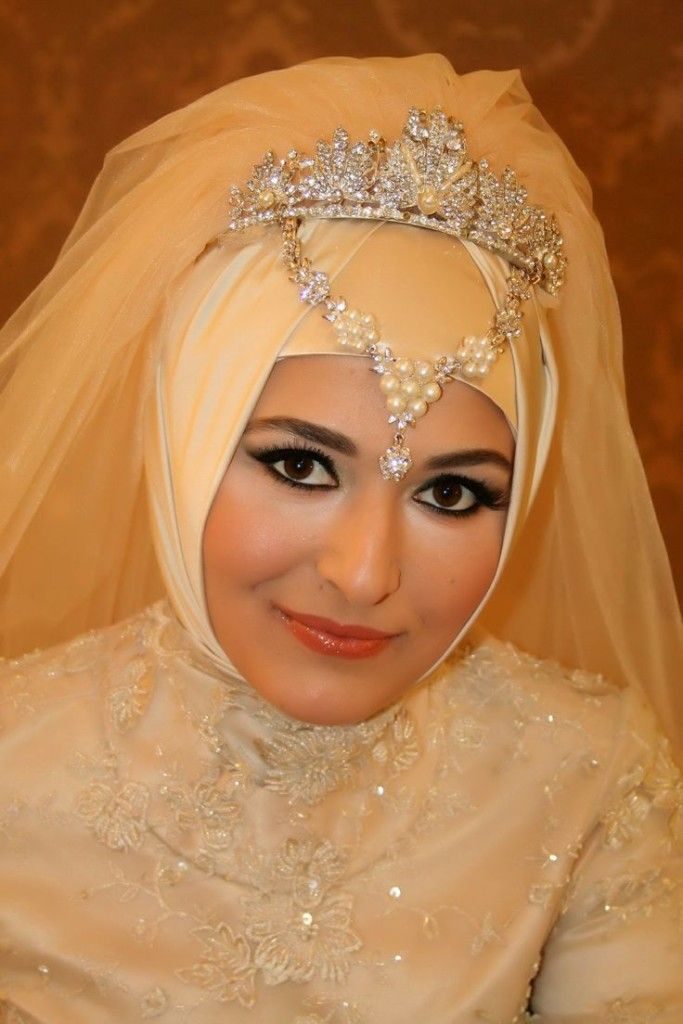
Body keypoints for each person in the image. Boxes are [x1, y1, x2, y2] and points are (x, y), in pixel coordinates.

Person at [0, 55, 681, 1023]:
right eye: (299, 466)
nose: (363, 575)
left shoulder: (584, 774)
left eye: (450, 492)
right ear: (181, 444)